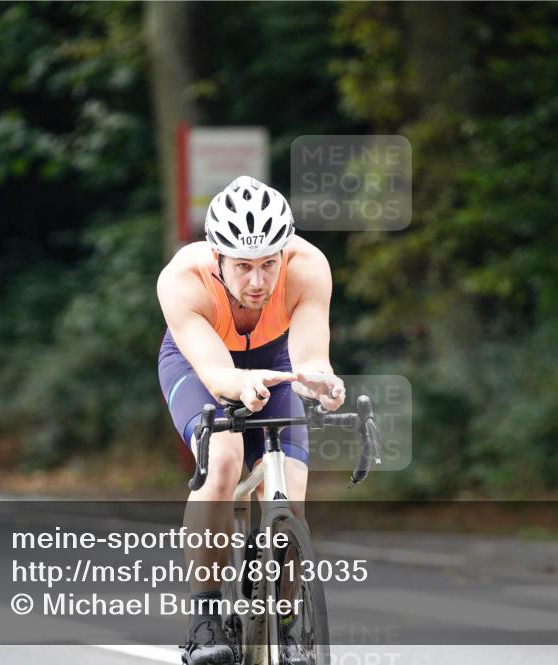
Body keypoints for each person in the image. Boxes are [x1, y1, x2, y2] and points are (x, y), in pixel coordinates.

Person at [157, 175, 345, 665]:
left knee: (291, 498)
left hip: (273, 360)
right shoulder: (182, 279)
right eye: (243, 266)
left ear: (285, 253)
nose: (258, 282)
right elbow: (218, 374)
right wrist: (240, 384)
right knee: (224, 458)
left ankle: (287, 627)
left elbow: (307, 357)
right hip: (199, 362)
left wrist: (320, 382)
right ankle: (204, 615)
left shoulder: (308, 268)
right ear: (217, 257)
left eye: (268, 264)